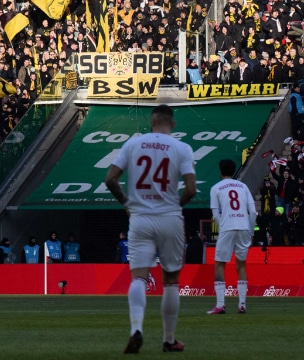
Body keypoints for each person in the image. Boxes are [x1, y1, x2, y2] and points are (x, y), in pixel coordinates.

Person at [105, 104, 197, 354]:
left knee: (138, 277)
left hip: (140, 217)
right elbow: (190, 189)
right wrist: (173, 206)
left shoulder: (134, 144)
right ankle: (169, 340)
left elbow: (110, 179)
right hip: (169, 218)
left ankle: (136, 328)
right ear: (173, 124)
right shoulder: (182, 148)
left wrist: (126, 203)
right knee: (170, 281)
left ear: (151, 122)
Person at [207, 158, 257, 315]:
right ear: (234, 170)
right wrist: (250, 230)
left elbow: (215, 215)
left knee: (219, 264)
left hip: (227, 227)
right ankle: (242, 304)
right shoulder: (243, 186)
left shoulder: (216, 188)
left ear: (221, 171)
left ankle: (220, 304)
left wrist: (223, 227)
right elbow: (254, 212)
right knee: (241, 265)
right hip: (243, 226)